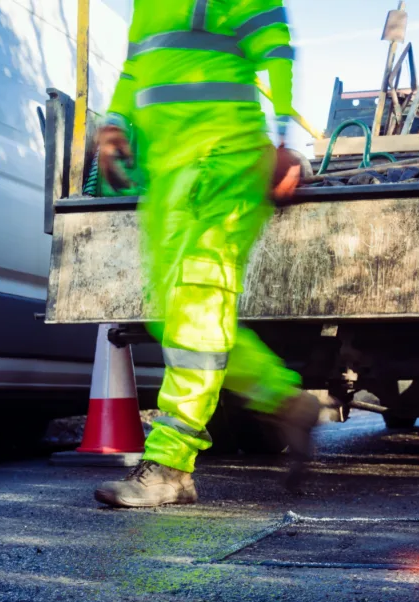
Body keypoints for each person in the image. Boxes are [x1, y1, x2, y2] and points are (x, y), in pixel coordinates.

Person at [93, 0, 319, 508]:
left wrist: (285, 138)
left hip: (221, 159)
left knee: (197, 310)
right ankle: (285, 399)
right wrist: (113, 122)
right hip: (167, 173)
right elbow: (136, 67)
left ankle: (170, 464)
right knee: (172, 319)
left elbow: (277, 49)